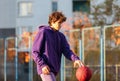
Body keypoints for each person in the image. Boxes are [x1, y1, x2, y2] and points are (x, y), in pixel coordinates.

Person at [32, 11, 84, 81]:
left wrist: (76, 59)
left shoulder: (61, 36)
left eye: (61, 23)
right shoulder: (43, 32)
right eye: (59, 23)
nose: (60, 25)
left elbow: (67, 51)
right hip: (45, 69)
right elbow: (35, 52)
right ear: (52, 21)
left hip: (54, 69)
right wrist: (42, 65)